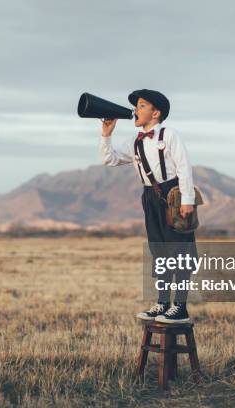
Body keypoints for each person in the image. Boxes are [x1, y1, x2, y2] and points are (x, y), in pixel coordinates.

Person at [100, 89, 197, 323]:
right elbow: (109, 159)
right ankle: (163, 303)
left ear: (156, 112)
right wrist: (106, 135)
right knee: (159, 251)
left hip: (173, 195)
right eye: (136, 106)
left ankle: (180, 307)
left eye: (141, 106)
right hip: (150, 198)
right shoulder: (134, 141)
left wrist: (187, 200)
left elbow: (184, 167)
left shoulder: (169, 134)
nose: (135, 110)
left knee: (179, 251)